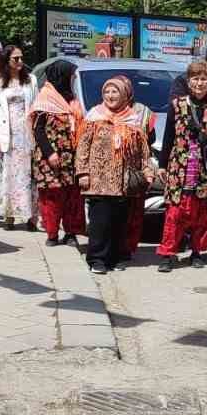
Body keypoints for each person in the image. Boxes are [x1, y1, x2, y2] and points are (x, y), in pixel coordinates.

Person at [157, 61, 207, 271]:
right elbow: (168, 136)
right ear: (188, 81)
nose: (199, 83)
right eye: (195, 79)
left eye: (204, 79)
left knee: (204, 213)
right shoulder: (177, 105)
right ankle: (167, 254)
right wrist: (162, 164)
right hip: (180, 166)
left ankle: (197, 252)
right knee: (175, 212)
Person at [76, 76, 151, 274]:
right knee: (100, 222)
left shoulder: (133, 119)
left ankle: (116, 257)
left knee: (119, 222)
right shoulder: (94, 116)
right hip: (98, 180)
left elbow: (142, 150)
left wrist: (147, 171)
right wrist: (82, 172)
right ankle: (97, 260)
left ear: (125, 95)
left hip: (123, 181)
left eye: (115, 91)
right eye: (107, 92)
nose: (110, 95)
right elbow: (83, 147)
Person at [32, 58, 86, 247]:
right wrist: (50, 153)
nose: (72, 79)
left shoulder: (72, 98)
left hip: (71, 157)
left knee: (72, 196)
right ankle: (52, 233)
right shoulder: (45, 99)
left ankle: (70, 233)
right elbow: (38, 130)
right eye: (70, 75)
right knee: (51, 196)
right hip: (50, 157)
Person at [0, 44, 38, 231]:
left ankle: (30, 216)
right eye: (16, 58)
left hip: (25, 134)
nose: (20, 61)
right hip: (5, 135)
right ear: (6, 61)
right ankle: (9, 215)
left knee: (27, 176)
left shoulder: (31, 80)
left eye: (21, 58)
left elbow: (36, 108)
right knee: (8, 176)